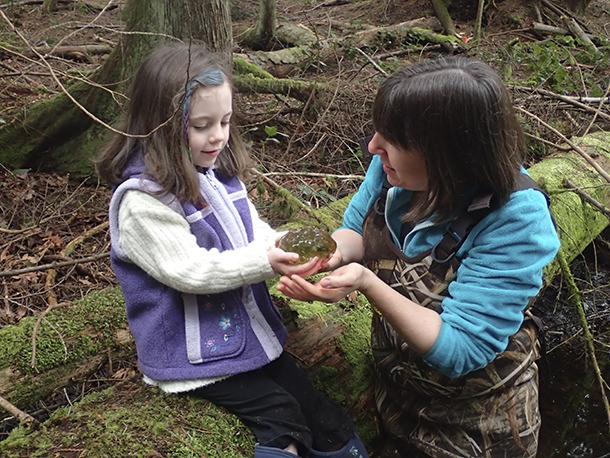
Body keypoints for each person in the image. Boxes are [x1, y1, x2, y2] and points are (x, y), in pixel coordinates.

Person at [95, 41, 368, 458]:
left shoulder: (216, 176)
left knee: (322, 413)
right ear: (160, 124)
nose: (218, 135)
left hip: (244, 342)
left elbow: (253, 232)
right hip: (194, 359)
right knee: (281, 419)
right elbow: (187, 270)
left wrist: (287, 251)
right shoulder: (143, 202)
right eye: (202, 125)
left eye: (224, 121)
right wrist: (264, 262)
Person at [277, 56, 561, 458]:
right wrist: (328, 257)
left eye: (392, 139)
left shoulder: (516, 218)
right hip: (395, 396)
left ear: (446, 153)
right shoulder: (392, 169)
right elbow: (356, 231)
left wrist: (365, 283)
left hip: (477, 424)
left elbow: (461, 349)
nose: (374, 146)